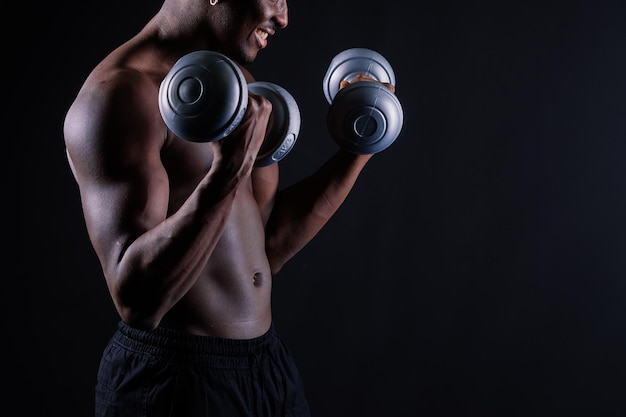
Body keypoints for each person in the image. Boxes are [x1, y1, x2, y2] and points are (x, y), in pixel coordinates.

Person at [63, 0, 396, 416]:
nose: (283, 16)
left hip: (267, 369)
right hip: (174, 381)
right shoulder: (120, 95)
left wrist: (358, 146)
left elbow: (268, 245)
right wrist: (228, 170)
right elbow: (137, 300)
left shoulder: (236, 82)